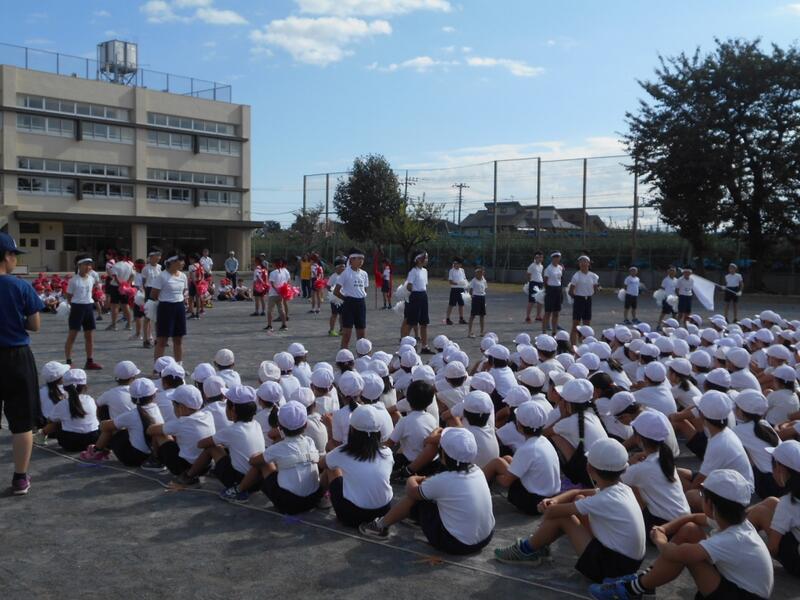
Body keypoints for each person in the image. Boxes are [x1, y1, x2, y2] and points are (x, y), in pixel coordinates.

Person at [591, 469, 773, 600]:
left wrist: (659, 539)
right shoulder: (735, 522)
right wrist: (664, 529)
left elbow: (675, 554)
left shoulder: (732, 538)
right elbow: (693, 517)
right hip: (739, 587)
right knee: (690, 530)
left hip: (744, 596)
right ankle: (643, 583)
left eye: (702, 495)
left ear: (710, 504)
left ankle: (633, 588)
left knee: (685, 553)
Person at [494, 439, 646, 584]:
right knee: (577, 500)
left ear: (589, 468)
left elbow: (552, 513)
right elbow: (576, 493)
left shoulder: (604, 499)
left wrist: (547, 506)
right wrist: (555, 500)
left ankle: (526, 549)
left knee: (564, 517)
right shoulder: (622, 489)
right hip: (626, 564)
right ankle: (538, 545)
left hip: (611, 569)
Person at [360, 427, 495, 555]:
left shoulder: (444, 480)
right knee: (430, 494)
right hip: (485, 538)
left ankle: (380, 526)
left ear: (443, 454)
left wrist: (412, 478)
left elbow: (412, 491)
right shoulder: (477, 471)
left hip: (456, 543)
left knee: (416, 498)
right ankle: (411, 518)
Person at [0, 233, 43, 495]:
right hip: (16, 356)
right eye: (14, 254)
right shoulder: (20, 286)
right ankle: (19, 478)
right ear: (6, 256)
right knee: (21, 422)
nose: (15, 259)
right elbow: (35, 324)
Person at [483, 401, 561, 515]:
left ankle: (476, 488)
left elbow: (506, 482)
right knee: (507, 458)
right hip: (550, 496)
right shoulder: (544, 441)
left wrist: (495, 476)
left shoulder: (527, 449)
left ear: (519, 425)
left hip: (534, 502)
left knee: (497, 462)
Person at [323, 405, 394, 527]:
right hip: (384, 512)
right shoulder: (387, 452)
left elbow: (322, 463)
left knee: (331, 467)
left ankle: (319, 496)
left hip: (353, 516)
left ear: (352, 430)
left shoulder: (342, 452)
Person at [621, 411, 690, 530]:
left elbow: (613, 480)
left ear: (638, 439)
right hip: (682, 519)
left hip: (663, 525)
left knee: (631, 487)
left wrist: (630, 464)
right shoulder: (665, 457)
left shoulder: (641, 469)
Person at [747, 440, 800, 578]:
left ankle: (732, 541)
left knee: (761, 512)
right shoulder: (790, 500)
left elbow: (773, 547)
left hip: (797, 562)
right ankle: (734, 522)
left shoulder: (788, 502)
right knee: (771, 501)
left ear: (781, 468)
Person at [65, 255, 102, 370]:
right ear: (79, 265)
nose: (88, 267)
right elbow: (69, 296)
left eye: (90, 265)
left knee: (89, 336)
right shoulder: (73, 280)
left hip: (88, 307)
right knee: (72, 335)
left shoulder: (91, 278)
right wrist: (75, 306)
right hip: (77, 308)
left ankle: (89, 361)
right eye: (86, 264)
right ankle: (68, 361)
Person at [151, 252, 188, 363]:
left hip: (179, 307)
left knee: (178, 339)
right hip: (166, 308)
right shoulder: (162, 276)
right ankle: (158, 368)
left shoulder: (183, 276)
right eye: (180, 260)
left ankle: (179, 366)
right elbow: (153, 294)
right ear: (172, 262)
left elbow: (184, 290)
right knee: (162, 340)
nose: (183, 263)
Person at [333, 249, 369, 349]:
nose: (361, 261)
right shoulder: (346, 273)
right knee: (347, 334)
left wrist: (359, 296)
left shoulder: (364, 274)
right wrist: (346, 299)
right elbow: (336, 291)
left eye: (362, 259)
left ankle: (362, 354)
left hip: (361, 303)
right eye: (359, 258)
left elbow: (365, 289)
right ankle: (343, 355)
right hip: (349, 303)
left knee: (362, 334)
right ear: (352, 259)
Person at [402, 251, 434, 354]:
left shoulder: (425, 271)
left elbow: (425, 285)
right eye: (425, 258)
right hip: (415, 296)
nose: (427, 260)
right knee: (411, 323)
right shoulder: (413, 271)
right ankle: (404, 346)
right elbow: (409, 286)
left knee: (424, 323)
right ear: (418, 259)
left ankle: (424, 346)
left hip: (423, 296)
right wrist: (414, 292)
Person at [567, 255, 599, 347]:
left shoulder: (593, 276)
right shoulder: (576, 275)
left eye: (585, 261)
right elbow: (570, 291)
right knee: (576, 324)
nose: (583, 263)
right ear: (579, 264)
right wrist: (577, 298)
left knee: (587, 324)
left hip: (588, 299)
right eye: (581, 261)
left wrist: (591, 292)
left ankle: (586, 345)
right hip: (579, 299)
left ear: (588, 263)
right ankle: (573, 346)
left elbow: (595, 289)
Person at [105, 249, 134, 331]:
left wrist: (120, 285)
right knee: (126, 305)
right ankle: (129, 324)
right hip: (126, 287)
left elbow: (115, 277)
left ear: (117, 257)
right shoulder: (129, 265)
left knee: (114, 306)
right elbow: (132, 275)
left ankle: (114, 325)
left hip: (115, 287)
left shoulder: (115, 266)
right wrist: (127, 284)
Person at [141, 248, 162, 349]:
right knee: (147, 317)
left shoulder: (160, 267)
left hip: (158, 291)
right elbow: (143, 282)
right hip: (149, 291)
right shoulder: (146, 268)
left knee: (158, 317)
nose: (158, 258)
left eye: (159, 256)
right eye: (156, 256)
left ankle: (158, 338)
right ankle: (146, 340)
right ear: (151, 257)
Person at [265, 258, 290, 332]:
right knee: (281, 310)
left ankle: (270, 326)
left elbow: (272, 284)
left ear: (274, 264)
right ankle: (284, 325)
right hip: (281, 294)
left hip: (273, 294)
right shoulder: (283, 272)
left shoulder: (273, 273)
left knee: (270, 310)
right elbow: (287, 282)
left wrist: (277, 290)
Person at [542, 251, 564, 335]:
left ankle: (554, 331)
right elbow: (545, 281)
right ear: (552, 258)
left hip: (558, 289)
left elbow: (560, 279)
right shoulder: (548, 268)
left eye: (558, 257)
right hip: (550, 289)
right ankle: (544, 332)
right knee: (548, 312)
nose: (556, 259)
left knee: (556, 312)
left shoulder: (560, 267)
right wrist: (547, 290)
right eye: (555, 257)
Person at [326, 257, 346, 337]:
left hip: (342, 297)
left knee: (342, 314)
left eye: (344, 266)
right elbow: (328, 286)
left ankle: (342, 329)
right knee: (334, 314)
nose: (343, 268)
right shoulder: (333, 276)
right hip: (335, 299)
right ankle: (331, 330)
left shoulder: (345, 276)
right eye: (341, 266)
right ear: (336, 267)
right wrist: (332, 292)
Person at [445, 257, 467, 326]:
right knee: (451, 304)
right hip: (454, 289)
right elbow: (450, 281)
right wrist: (458, 283)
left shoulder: (462, 270)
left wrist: (465, 284)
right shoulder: (451, 271)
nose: (455, 264)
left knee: (461, 304)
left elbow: (464, 279)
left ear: (460, 264)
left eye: (457, 263)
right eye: (454, 263)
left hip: (461, 289)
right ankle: (447, 319)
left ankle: (461, 318)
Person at [467, 266, 487, 339]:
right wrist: (472, 297)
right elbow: (470, 291)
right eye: (479, 272)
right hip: (476, 298)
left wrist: (483, 296)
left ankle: (482, 332)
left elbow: (484, 289)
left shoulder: (483, 280)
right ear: (476, 273)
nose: (481, 273)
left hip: (482, 297)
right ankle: (470, 332)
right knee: (473, 315)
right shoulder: (473, 281)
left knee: (482, 315)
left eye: (482, 272)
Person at [525, 250, 545, 323]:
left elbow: (540, 275)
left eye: (541, 257)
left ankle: (538, 316)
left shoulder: (541, 266)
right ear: (536, 257)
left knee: (540, 300)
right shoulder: (532, 265)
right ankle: (527, 316)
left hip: (540, 283)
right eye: (539, 257)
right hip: (533, 283)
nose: (540, 259)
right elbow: (528, 274)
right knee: (532, 301)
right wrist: (530, 283)